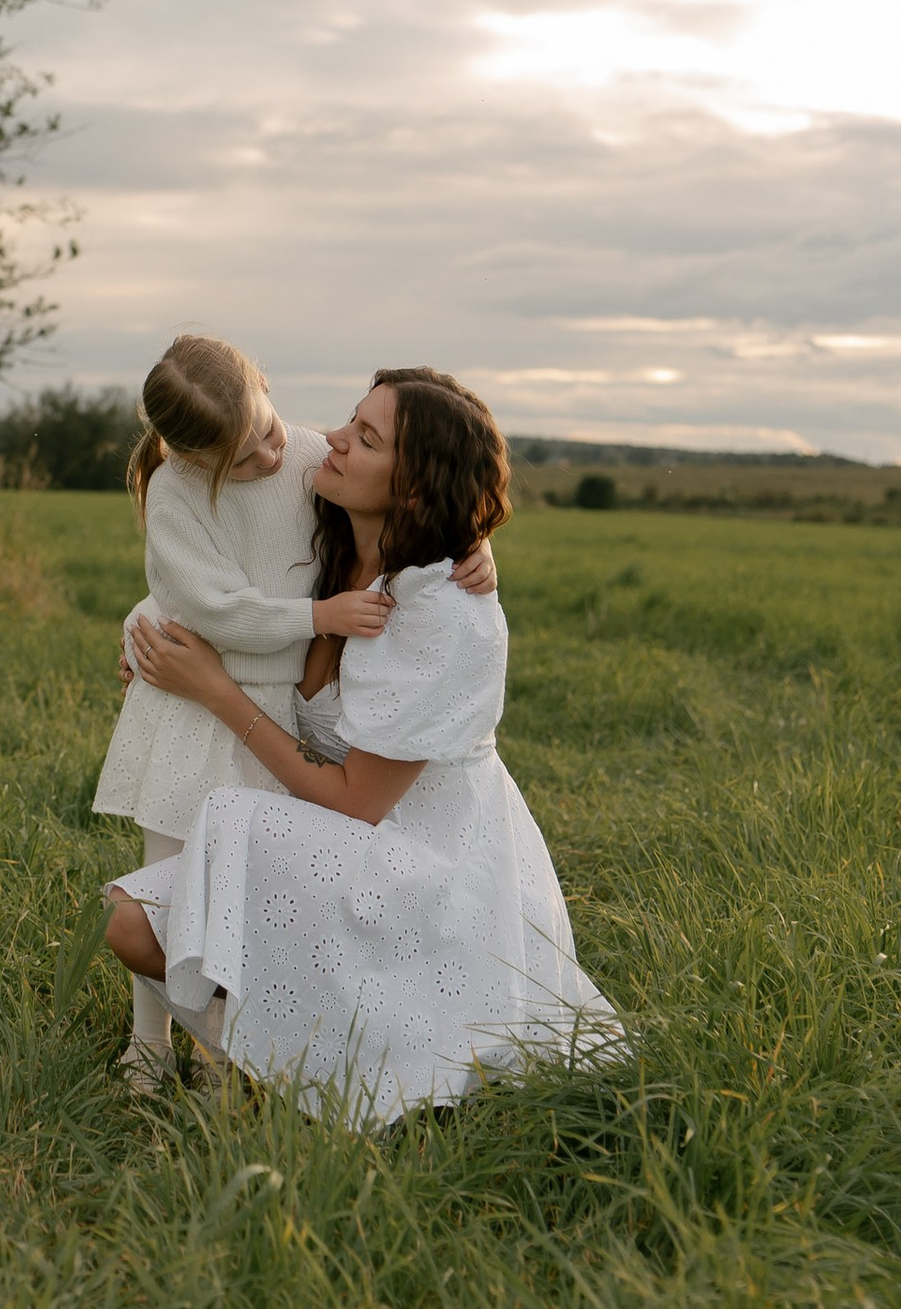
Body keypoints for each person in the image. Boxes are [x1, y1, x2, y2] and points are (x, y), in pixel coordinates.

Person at [105, 366, 623, 1125]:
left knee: (234, 824)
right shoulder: (329, 521)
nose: (331, 442)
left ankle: (305, 1073)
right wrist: (142, 634)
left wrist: (215, 691)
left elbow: (359, 803)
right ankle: (261, 1055)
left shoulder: (444, 615)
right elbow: (208, 575)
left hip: (420, 863)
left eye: (366, 438)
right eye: (354, 420)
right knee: (128, 920)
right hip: (334, 840)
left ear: (411, 490)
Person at [93, 333, 494, 1094]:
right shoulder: (178, 491)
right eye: (243, 462)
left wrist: (476, 545)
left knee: (242, 900)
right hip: (194, 706)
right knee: (166, 882)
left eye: (269, 435)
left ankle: (235, 1053)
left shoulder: (310, 457)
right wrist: (313, 619)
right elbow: (200, 598)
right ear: (190, 459)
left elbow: (419, 499)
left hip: (271, 711)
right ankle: (148, 1047)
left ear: (270, 391)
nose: (270, 462)